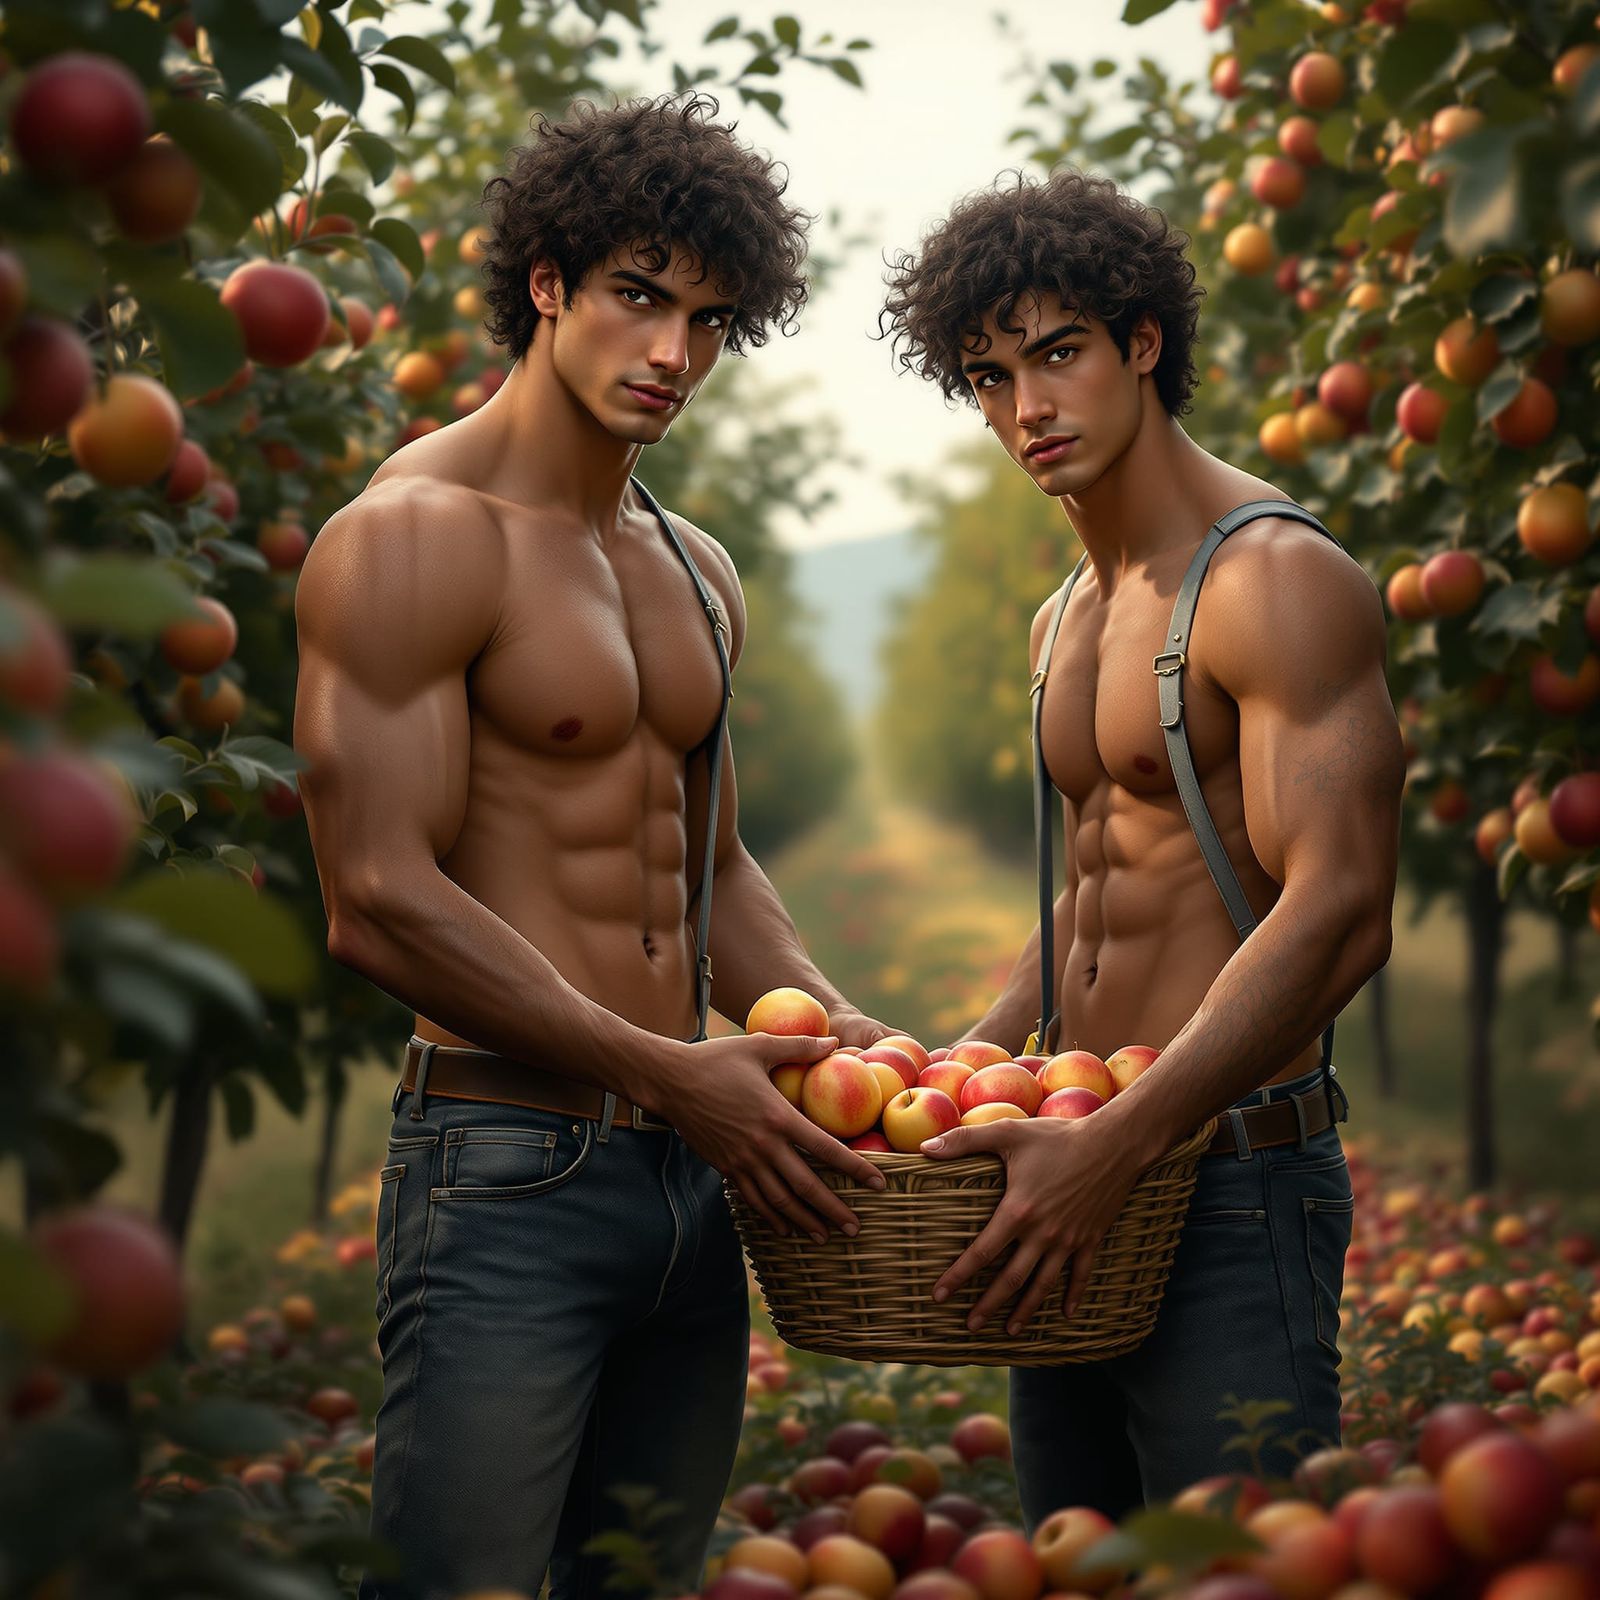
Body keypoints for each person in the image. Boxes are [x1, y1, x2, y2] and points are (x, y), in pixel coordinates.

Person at [294, 95, 892, 1600]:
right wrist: (663, 1069)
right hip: (508, 1159)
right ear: (548, 283)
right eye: (640, 296)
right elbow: (375, 897)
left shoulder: (694, 569)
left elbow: (716, 865)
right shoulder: (420, 537)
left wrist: (827, 1020)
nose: (675, 356)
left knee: (638, 1576)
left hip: (696, 1176)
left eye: (710, 318)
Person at [879, 169, 1405, 1519]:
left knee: (1231, 1558)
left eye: (1057, 355)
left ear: (1142, 343)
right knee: (1078, 1553)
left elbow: (1341, 906)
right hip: (1071, 1170)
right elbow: (1092, 904)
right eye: (988, 379)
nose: (1026, 410)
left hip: (1221, 1182)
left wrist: (1125, 1140)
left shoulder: (1274, 582)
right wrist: (963, 1070)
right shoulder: (1068, 615)